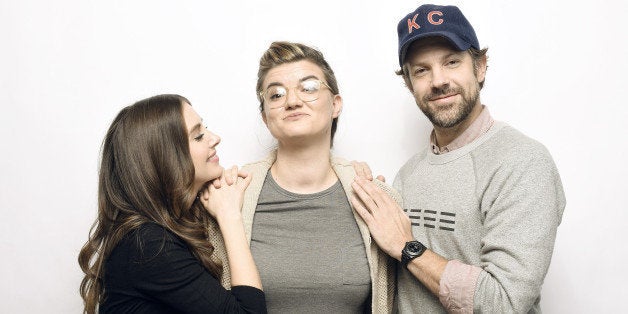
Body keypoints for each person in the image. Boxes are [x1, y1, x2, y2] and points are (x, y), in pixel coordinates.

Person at [350, 4, 566, 313]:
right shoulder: (407, 174)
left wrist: (406, 247)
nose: (438, 81)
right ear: (410, 85)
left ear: (480, 67)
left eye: (451, 62)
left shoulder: (523, 162)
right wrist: (361, 195)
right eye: (421, 70)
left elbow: (504, 302)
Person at [207, 41, 399, 313]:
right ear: (265, 117)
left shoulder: (375, 198)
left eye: (308, 88)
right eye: (276, 95)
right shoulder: (230, 195)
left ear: (335, 105)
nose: (292, 101)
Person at [78, 94, 267, 313]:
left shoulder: (163, 231)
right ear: (164, 159)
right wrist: (230, 216)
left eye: (206, 129)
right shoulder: (148, 244)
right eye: (198, 136)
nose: (215, 138)